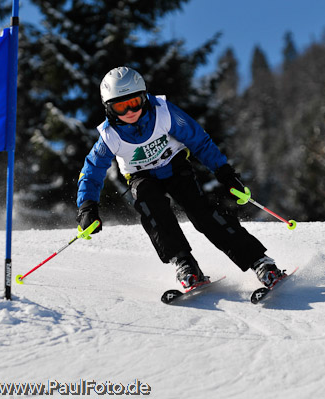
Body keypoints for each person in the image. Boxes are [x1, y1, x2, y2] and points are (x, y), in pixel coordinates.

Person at [76, 66, 284, 289]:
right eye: (120, 106)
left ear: (144, 97)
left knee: (203, 213)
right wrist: (87, 207)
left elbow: (199, 141)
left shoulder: (164, 112)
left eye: (134, 102)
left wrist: (225, 174)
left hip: (175, 167)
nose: (129, 111)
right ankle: (184, 263)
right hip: (141, 176)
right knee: (151, 207)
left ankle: (259, 261)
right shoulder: (109, 136)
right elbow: (92, 170)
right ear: (108, 108)